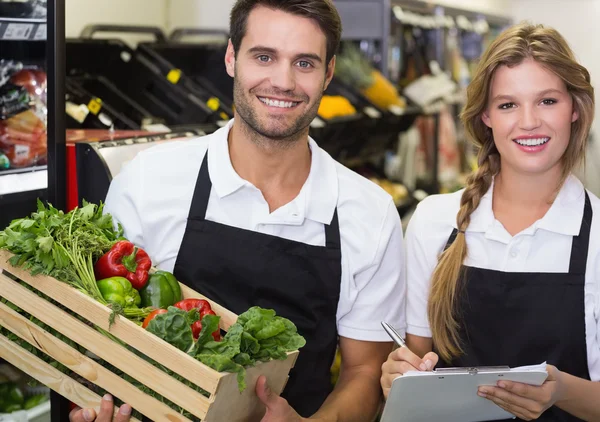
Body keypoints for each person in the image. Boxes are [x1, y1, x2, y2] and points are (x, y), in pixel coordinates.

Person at [70, 1, 406, 421]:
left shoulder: (369, 213)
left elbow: (364, 370)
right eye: (264, 57)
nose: (283, 81)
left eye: (304, 62)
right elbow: (98, 335)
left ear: (329, 73)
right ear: (231, 57)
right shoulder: (149, 180)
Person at [381, 22, 600, 422]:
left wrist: (563, 391)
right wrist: (399, 375)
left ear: (574, 108)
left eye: (547, 101)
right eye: (508, 104)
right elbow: (414, 362)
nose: (529, 121)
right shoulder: (433, 221)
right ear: (486, 116)